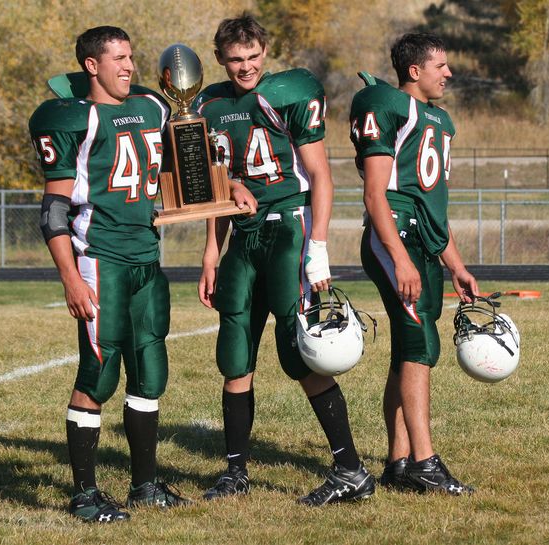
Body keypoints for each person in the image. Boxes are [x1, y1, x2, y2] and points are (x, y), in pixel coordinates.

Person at [28, 25, 254, 522]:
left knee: (150, 373)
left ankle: (144, 486)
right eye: (118, 59)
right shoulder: (75, 120)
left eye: (131, 57)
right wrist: (70, 277)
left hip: (146, 255)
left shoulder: (153, 106)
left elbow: (184, 162)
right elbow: (53, 212)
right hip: (99, 258)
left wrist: (229, 183)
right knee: (99, 372)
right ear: (92, 66)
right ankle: (85, 494)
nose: (130, 66)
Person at [195, 14, 374, 506]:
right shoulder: (208, 104)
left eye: (253, 57)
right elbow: (216, 184)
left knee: (300, 353)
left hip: (287, 229)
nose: (245, 67)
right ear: (220, 59)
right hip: (242, 237)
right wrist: (212, 250)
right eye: (235, 59)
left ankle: (350, 470)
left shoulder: (289, 93)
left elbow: (321, 177)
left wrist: (317, 250)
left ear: (265, 53)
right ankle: (235, 472)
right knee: (234, 354)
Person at [349, 33, 479, 495]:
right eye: (440, 65)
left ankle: (399, 462)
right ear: (414, 71)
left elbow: (432, 208)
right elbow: (376, 194)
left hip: (422, 239)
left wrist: (456, 264)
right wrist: (400, 259)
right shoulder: (389, 108)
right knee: (420, 344)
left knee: (409, 347)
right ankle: (426, 462)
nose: (448, 73)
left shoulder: (438, 120)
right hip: (394, 239)